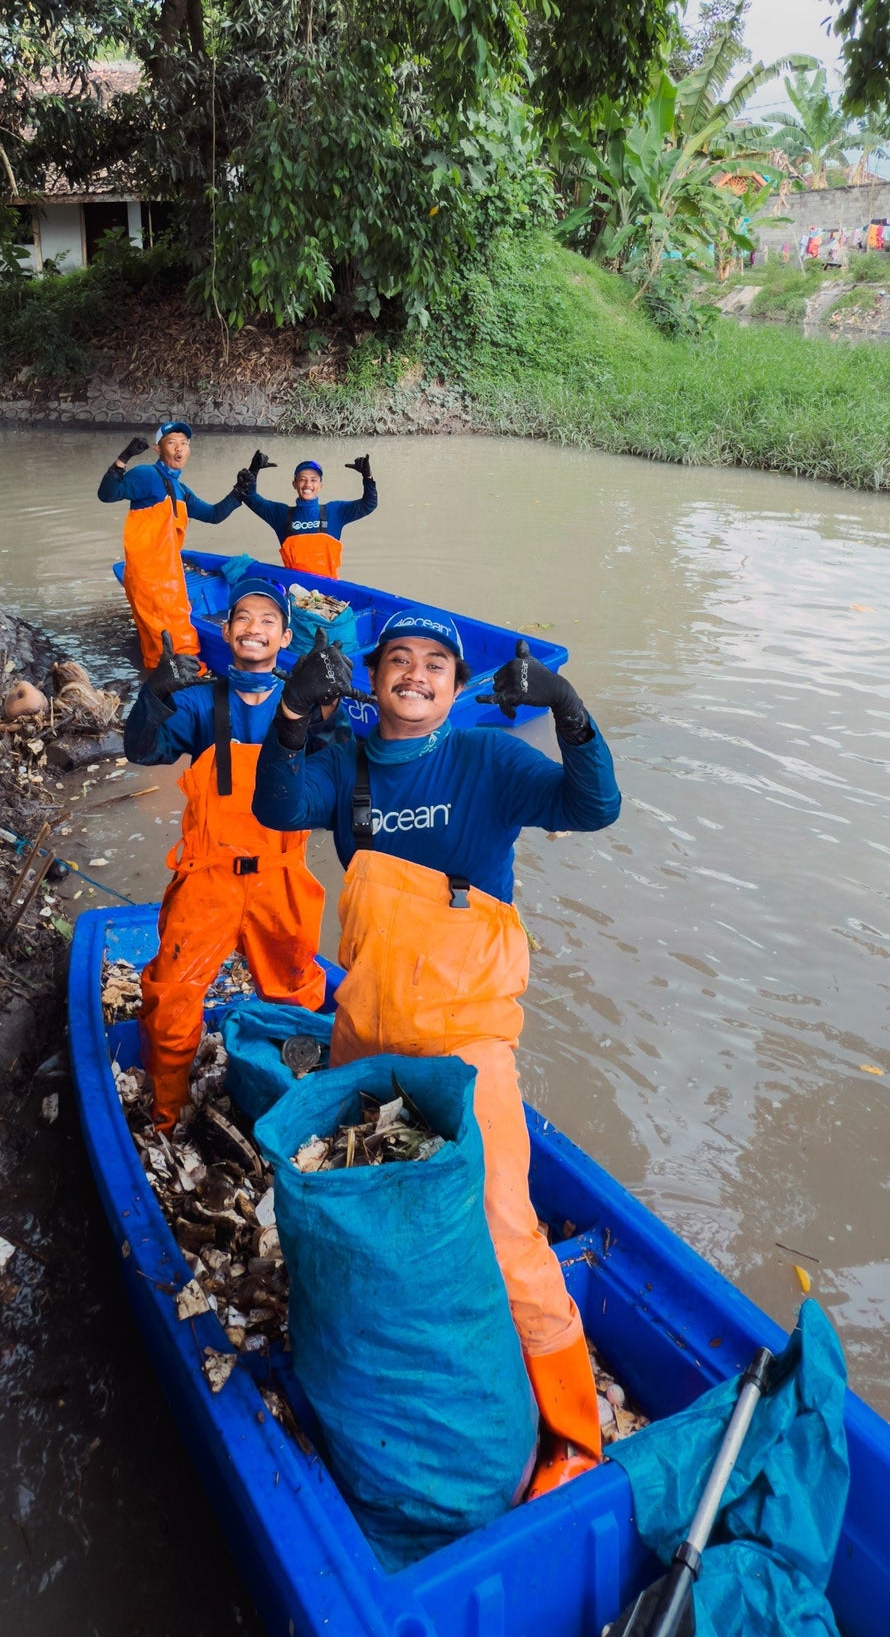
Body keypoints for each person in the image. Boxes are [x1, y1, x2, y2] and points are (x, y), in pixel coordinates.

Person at [252, 608, 620, 1497]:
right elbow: (274, 804)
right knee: (342, 1208)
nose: (414, 675)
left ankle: (573, 1436)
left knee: (504, 1224)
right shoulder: (343, 760)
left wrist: (567, 706)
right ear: (372, 678)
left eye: (434, 665)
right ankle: (363, 1378)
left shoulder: (490, 762)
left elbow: (594, 805)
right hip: (368, 1025)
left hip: (468, 1038)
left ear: (457, 688)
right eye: (399, 661)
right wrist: (291, 716)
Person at [124, 576, 327, 1128]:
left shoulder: (306, 704)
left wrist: (330, 699)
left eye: (267, 620)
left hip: (282, 880)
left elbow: (349, 775)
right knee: (170, 995)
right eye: (243, 618)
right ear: (226, 630)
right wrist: (153, 694)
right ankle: (168, 1113)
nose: (254, 628)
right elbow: (141, 749)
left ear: (286, 637)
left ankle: (292, 1114)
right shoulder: (197, 701)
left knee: (295, 995)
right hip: (207, 878)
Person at [97, 423, 244, 671]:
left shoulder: (180, 490)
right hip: (149, 574)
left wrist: (240, 491)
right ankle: (188, 677)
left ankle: (158, 676)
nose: (179, 448)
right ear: (158, 448)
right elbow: (107, 493)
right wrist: (124, 457)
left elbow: (214, 514)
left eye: (184, 443)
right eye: (172, 442)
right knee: (172, 632)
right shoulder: (146, 475)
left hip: (169, 573)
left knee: (159, 635)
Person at [234, 451, 377, 578]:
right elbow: (250, 497)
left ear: (321, 486)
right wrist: (253, 471)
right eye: (302, 479)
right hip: (295, 591)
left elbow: (369, 504)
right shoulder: (281, 514)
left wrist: (367, 477)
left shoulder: (335, 511)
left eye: (313, 480)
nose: (308, 484)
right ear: (294, 484)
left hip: (329, 592)